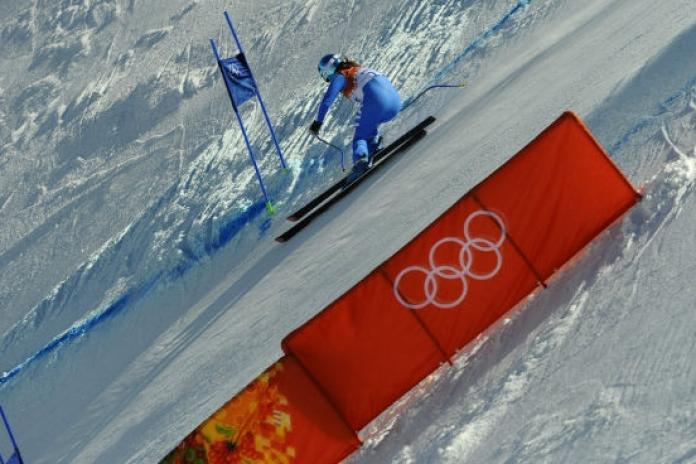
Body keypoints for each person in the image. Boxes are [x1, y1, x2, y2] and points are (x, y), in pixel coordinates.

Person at [309, 54, 402, 180]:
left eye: (326, 77)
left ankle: (360, 162)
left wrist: (317, 123)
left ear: (329, 72)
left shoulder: (340, 76)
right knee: (367, 127)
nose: (329, 80)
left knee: (359, 137)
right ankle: (374, 148)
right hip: (395, 103)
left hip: (376, 101)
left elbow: (327, 101)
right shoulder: (358, 70)